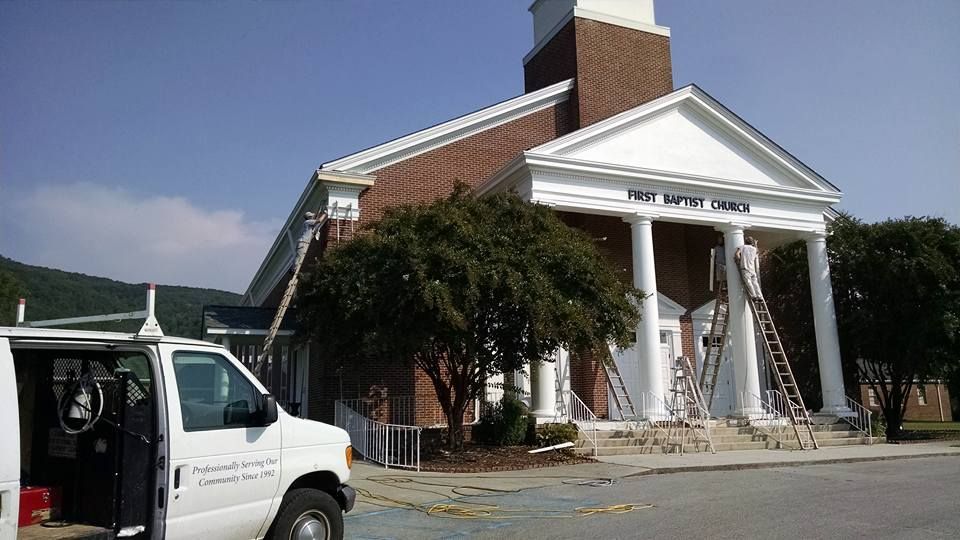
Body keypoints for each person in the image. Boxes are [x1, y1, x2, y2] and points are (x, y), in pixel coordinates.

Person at [735, 236, 763, 300]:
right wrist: (756, 244)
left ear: (745, 241)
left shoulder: (743, 247)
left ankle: (754, 296)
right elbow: (757, 251)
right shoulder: (754, 249)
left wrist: (738, 260)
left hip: (745, 268)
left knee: (749, 282)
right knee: (755, 283)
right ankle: (760, 296)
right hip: (752, 269)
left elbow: (737, 254)